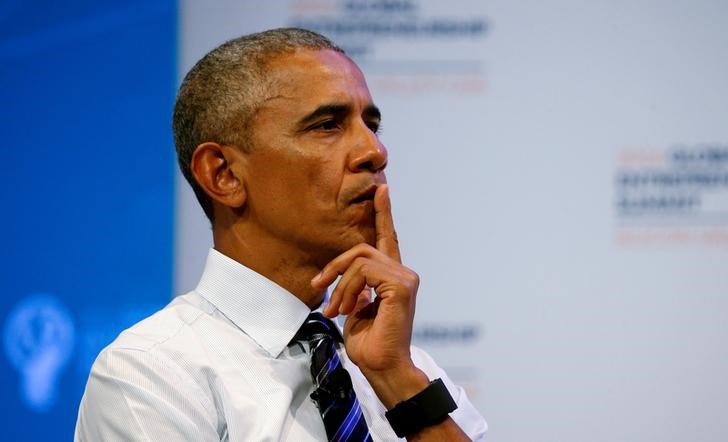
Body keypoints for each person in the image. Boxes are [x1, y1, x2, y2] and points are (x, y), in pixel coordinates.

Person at [75, 28, 487, 441]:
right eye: (327, 125)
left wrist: (398, 382)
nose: (375, 152)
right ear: (224, 175)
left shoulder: (409, 370)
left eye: (372, 125)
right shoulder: (151, 374)